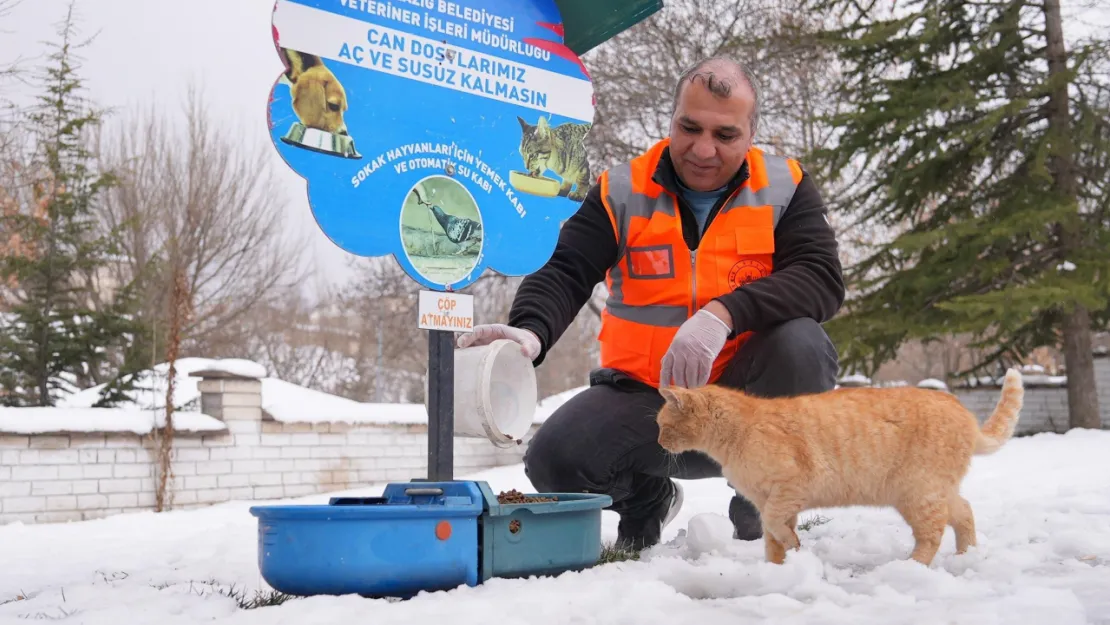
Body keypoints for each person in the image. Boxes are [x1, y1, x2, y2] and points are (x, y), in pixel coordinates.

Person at [459, 56, 845, 550]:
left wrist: (722, 315)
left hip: (747, 405)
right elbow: (566, 268)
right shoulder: (621, 190)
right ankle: (647, 500)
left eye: (724, 135)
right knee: (554, 460)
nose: (703, 149)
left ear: (750, 134)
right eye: (690, 127)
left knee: (802, 345)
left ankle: (762, 498)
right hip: (648, 402)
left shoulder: (785, 187)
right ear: (671, 121)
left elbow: (820, 278)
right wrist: (531, 329)